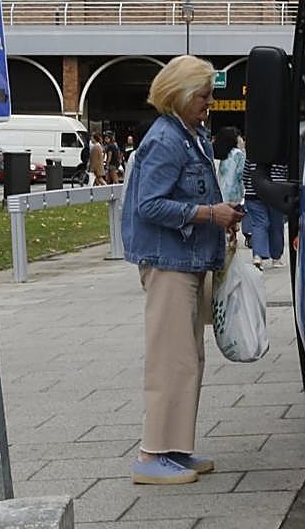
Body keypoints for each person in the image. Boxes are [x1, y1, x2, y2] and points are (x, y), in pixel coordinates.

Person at [121, 55, 242, 486]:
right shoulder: (167, 140)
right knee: (171, 360)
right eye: (204, 96)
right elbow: (148, 205)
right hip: (170, 263)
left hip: (186, 260)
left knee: (186, 359)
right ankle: (152, 453)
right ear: (182, 95)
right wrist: (210, 213)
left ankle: (173, 448)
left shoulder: (188, 135)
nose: (210, 103)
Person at [242, 160, 288, 268]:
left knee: (259, 224)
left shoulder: (252, 151)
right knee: (276, 225)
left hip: (254, 191)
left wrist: (248, 185)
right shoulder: (281, 152)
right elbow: (286, 173)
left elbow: (245, 174)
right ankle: (276, 258)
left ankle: (257, 256)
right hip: (277, 191)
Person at [214, 126, 245, 207]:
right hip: (233, 198)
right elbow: (241, 177)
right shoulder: (238, 154)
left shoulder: (217, 154)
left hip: (218, 197)